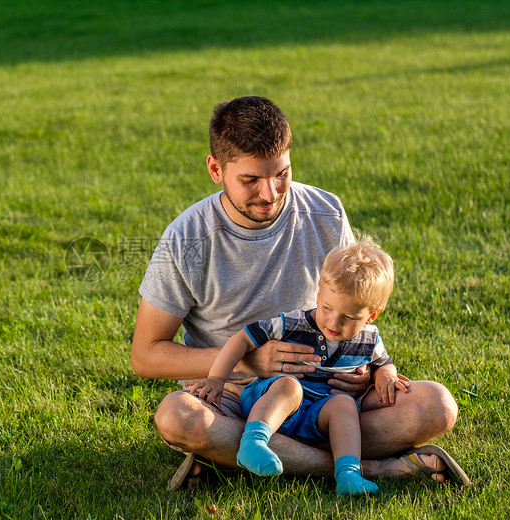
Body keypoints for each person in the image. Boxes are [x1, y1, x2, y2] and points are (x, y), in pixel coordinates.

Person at [130, 96, 469, 490]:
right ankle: (365, 468)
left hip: (329, 394)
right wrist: (249, 364)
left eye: (281, 175)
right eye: (250, 180)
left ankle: (235, 458)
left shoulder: (325, 211)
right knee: (177, 417)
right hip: (236, 400)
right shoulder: (185, 239)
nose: (270, 194)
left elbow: (350, 299)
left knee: (436, 406)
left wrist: (362, 369)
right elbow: (146, 354)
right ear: (215, 169)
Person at [190, 238, 408, 495]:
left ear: (371, 315)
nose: (333, 321)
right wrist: (216, 377)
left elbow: (384, 363)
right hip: (270, 398)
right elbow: (242, 338)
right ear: (318, 294)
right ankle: (253, 443)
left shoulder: (369, 340)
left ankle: (348, 474)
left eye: (348, 317)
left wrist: (385, 376)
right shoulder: (293, 323)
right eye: (326, 307)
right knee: (290, 385)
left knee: (344, 404)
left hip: (315, 415)